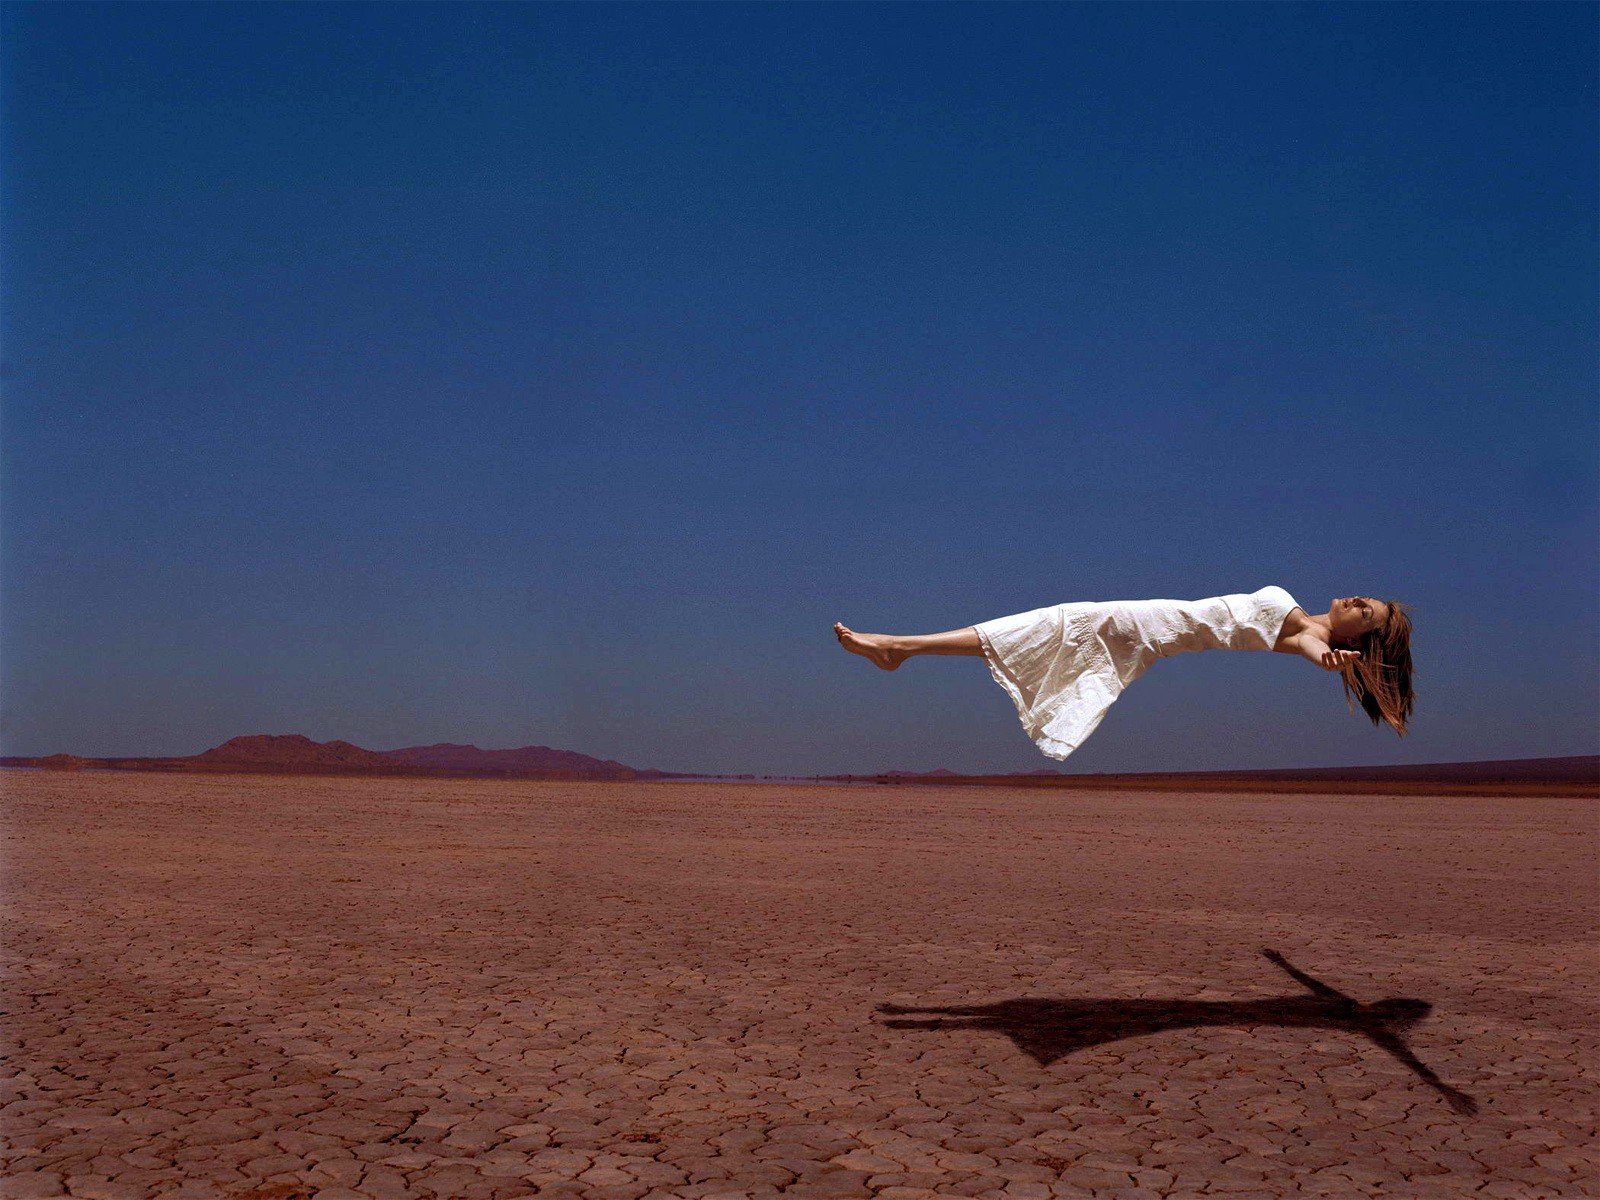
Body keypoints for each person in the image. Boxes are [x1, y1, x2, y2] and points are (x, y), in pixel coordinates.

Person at [833, 586, 1414, 762]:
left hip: (1145, 627)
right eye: (1367, 598)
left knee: (1047, 624)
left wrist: (1330, 661)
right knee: (1038, 628)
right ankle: (901, 647)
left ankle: (897, 646)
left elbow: (1316, 652)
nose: (1359, 600)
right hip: (1148, 624)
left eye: (1366, 613)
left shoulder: (1311, 636)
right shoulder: (1305, 617)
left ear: (1355, 636)